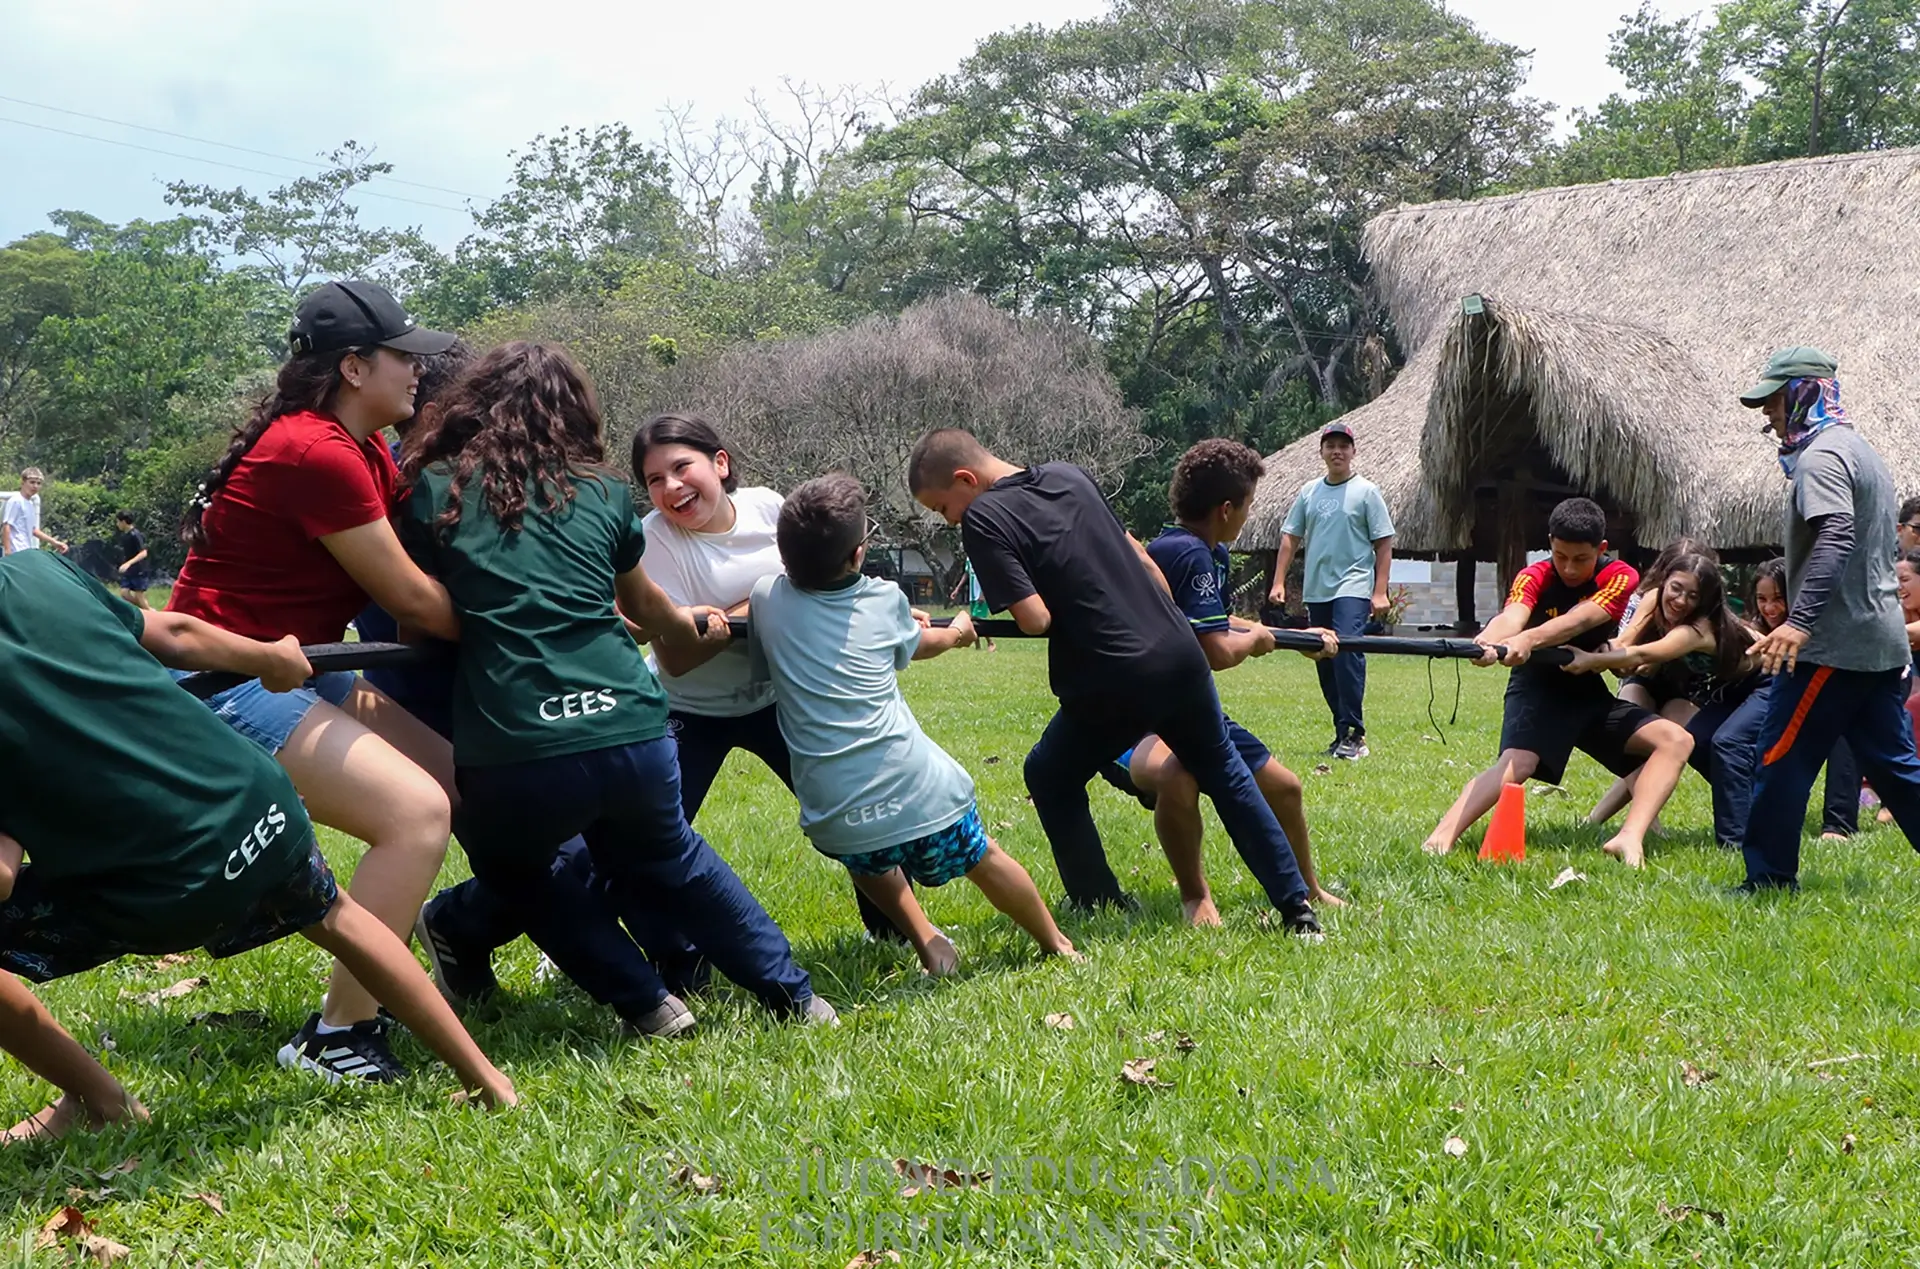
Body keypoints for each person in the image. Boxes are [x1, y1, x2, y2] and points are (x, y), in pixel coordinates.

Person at [0, 549, 514, 1143]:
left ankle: (99, 1101)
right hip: (261, 809)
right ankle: (486, 1080)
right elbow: (176, 630)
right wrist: (269, 657)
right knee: (336, 913)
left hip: (163, 888)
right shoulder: (40, 571)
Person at [399, 341, 834, 1035]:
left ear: (474, 404)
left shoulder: (430, 487)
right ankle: (796, 998)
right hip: (631, 725)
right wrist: (693, 625)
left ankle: (649, 1004)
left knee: (521, 871)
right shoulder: (600, 490)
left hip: (518, 739)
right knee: (672, 857)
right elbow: (651, 609)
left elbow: (414, 609)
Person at [168, 280, 467, 1082]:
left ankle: (428, 936)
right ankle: (337, 1036)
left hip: (296, 664)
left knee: (451, 775)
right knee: (415, 814)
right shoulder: (317, 452)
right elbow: (408, 596)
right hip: (221, 680)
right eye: (404, 356)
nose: (418, 371)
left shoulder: (362, 444)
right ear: (355, 367)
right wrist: (529, 612)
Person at [908, 428, 1322, 935]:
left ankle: (1098, 899)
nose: (948, 520)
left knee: (1050, 774)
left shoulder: (983, 518)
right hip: (1177, 654)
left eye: (942, 508)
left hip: (1109, 675)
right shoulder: (1069, 476)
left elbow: (1035, 618)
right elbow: (1147, 563)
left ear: (965, 479)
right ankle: (1297, 909)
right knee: (1227, 774)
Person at [748, 473, 1078, 974]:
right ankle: (1055, 942)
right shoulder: (883, 600)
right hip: (917, 790)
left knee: (869, 861)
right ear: (858, 554)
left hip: (835, 809)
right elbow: (922, 642)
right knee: (981, 857)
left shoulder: (765, 600)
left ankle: (927, 941)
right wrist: (960, 630)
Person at [1113, 440, 1346, 924]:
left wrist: (1289, 636)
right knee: (1181, 774)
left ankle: (1308, 887)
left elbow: (1215, 623)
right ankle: (1195, 897)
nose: (1247, 515)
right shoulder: (1189, 555)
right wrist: (1259, 641)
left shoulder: (1205, 553)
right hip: (1140, 721)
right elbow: (1216, 649)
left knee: (1285, 787)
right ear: (1225, 509)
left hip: (1192, 711)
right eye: (1248, 506)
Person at [1421, 497, 1694, 868]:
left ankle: (1630, 837)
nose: (1568, 567)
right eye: (1560, 555)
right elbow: (1512, 616)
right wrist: (1489, 640)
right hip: (1538, 688)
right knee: (1518, 764)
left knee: (1676, 740)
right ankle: (1439, 840)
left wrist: (1529, 640)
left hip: (1588, 692)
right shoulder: (1533, 576)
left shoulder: (1620, 577)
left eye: (1580, 559)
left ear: (1601, 549)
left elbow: (1582, 619)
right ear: (1550, 542)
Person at [1735, 348, 1920, 891]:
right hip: (1881, 643)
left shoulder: (1821, 459)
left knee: (1781, 760)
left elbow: (1837, 533)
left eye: (1772, 400)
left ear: (1802, 393)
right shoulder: (1861, 451)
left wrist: (1799, 622)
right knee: (1895, 770)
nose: (1768, 414)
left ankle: (1767, 880)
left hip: (1833, 647)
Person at [1564, 554, 1759, 849]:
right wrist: (1595, 646)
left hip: (1762, 682)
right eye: (1677, 589)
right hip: (1726, 688)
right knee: (1697, 744)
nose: (1681, 601)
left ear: (1705, 601)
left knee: (1720, 748)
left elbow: (1645, 654)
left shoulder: (1697, 629)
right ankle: (1627, 826)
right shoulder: (1653, 599)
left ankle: (1751, 825)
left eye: (1693, 596)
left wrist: (1592, 659)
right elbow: (1627, 642)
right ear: (1664, 582)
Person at [1269, 421, 1394, 760]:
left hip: (1352, 586)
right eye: (1330, 445)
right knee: (1323, 656)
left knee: (1347, 651)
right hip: (1317, 589)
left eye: (1344, 445)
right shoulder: (1309, 492)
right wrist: (1279, 581)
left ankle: (1355, 732)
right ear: (1322, 451)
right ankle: (1342, 732)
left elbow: (1384, 543)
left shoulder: (1367, 491)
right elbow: (1290, 537)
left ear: (1353, 452)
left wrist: (1379, 591)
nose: (1337, 451)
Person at [2, 468, 67, 557]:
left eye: (38, 483)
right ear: (23, 482)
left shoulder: (30, 503)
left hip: (26, 551)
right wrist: (8, 551)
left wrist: (54, 542)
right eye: (32, 482)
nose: (35, 486)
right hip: (16, 552)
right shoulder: (15, 501)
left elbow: (34, 530)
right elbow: (7, 526)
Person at [948, 558, 997, 652]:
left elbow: (987, 577)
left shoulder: (982, 557)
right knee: (974, 620)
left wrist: (983, 594)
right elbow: (966, 574)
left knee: (978, 618)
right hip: (973, 595)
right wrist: (957, 589)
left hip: (980, 595)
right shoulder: (968, 559)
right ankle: (977, 645)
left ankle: (991, 642)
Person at [113, 511, 152, 608]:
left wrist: (128, 564)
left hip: (139, 569)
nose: (117, 524)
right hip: (130, 570)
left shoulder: (135, 535)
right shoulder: (125, 536)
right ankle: (148, 610)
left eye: (118, 522)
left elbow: (143, 553)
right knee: (124, 593)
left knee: (139, 596)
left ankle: (151, 614)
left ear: (124, 522)